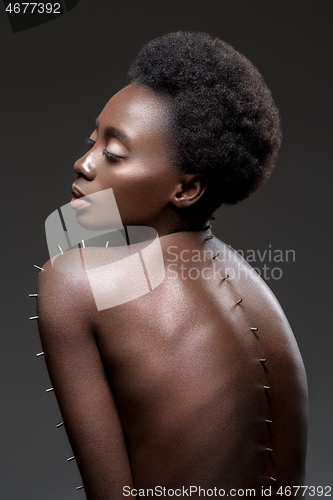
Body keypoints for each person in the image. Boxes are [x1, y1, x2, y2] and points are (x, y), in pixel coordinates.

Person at [36, 32, 308, 499]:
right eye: (92, 141)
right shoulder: (260, 295)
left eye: (114, 154)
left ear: (186, 189)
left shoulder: (77, 282)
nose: (83, 163)